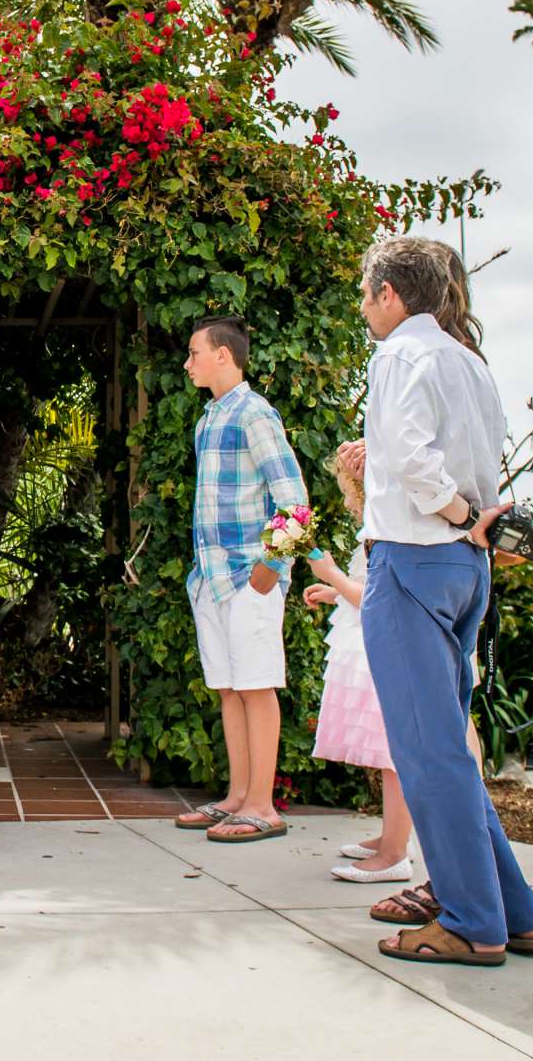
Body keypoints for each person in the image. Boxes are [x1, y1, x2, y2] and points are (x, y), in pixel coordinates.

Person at [353, 235, 533, 968]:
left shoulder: (401, 354)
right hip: (467, 570)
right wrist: (474, 523)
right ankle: (515, 912)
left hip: (414, 556)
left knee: (427, 749)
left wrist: (457, 513)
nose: (363, 305)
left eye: (367, 292)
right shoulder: (470, 361)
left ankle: (472, 922)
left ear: (390, 293)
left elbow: (406, 457)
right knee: (447, 750)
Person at [171, 316, 309, 844]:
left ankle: (262, 807)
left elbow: (294, 502)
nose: (188, 364)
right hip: (210, 578)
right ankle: (236, 798)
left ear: (223, 355)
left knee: (256, 687)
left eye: (194, 352)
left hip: (248, 579)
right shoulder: (209, 418)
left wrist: (268, 570)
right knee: (230, 689)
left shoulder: (254, 413)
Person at [304, 445, 412, 882]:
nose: (347, 499)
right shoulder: (377, 526)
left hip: (380, 646)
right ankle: (391, 836)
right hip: (369, 644)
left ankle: (395, 852)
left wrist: (331, 575)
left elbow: (375, 601)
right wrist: (334, 592)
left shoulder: (384, 529)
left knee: (393, 755)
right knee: (387, 752)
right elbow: (366, 586)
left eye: (350, 489)